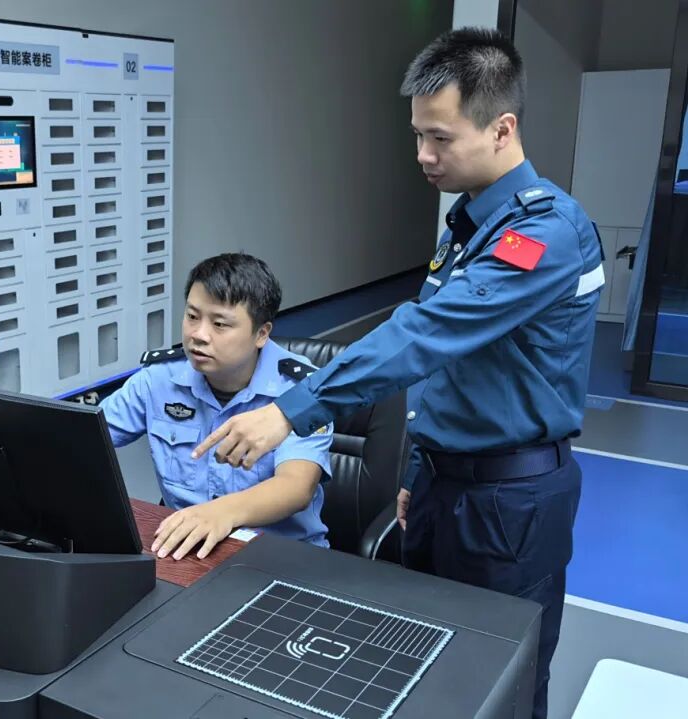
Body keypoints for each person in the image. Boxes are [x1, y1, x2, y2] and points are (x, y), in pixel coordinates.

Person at [190, 28, 603, 719]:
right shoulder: (469, 223)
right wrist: (417, 473)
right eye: (417, 135)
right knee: (423, 671)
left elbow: (426, 335)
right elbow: (448, 368)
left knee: (503, 680)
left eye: (440, 138)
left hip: (509, 502)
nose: (423, 156)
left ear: (502, 129)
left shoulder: (545, 233)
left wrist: (290, 408)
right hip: (445, 482)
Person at [101, 253, 333, 560]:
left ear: (261, 334)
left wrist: (221, 513)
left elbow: (295, 486)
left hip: (281, 557)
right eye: (192, 316)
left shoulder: (304, 390)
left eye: (220, 324)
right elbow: (87, 436)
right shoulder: (158, 379)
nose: (198, 335)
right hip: (187, 551)